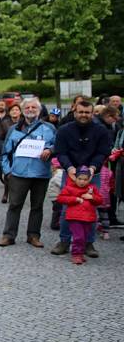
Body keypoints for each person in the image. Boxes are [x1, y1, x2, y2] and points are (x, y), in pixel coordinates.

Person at [52, 99, 112, 256]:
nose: (84, 115)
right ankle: (64, 241)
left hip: (93, 173)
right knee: (67, 208)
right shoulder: (64, 130)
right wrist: (69, 168)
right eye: (81, 112)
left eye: (87, 112)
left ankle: (88, 243)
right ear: (74, 112)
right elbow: (60, 152)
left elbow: (103, 152)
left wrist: (93, 167)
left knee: (91, 208)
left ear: (92, 113)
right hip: (71, 173)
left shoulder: (101, 131)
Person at [0, 98, 56, 248]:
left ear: (39, 110)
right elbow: (4, 153)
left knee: (37, 206)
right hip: (18, 174)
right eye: (27, 107)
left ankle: (33, 235)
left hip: (41, 174)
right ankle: (8, 235)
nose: (30, 109)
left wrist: (50, 150)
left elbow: (58, 145)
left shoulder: (49, 128)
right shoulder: (14, 129)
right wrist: (8, 171)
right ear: (23, 111)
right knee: (14, 205)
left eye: (34, 107)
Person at [56, 167, 102, 264]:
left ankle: (80, 253)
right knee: (78, 237)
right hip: (74, 217)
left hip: (88, 218)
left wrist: (92, 197)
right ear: (75, 178)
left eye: (85, 179)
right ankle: (76, 254)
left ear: (89, 179)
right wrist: (75, 199)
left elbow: (100, 200)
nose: (82, 182)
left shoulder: (92, 188)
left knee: (84, 237)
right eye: (80, 179)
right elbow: (61, 198)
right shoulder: (69, 188)